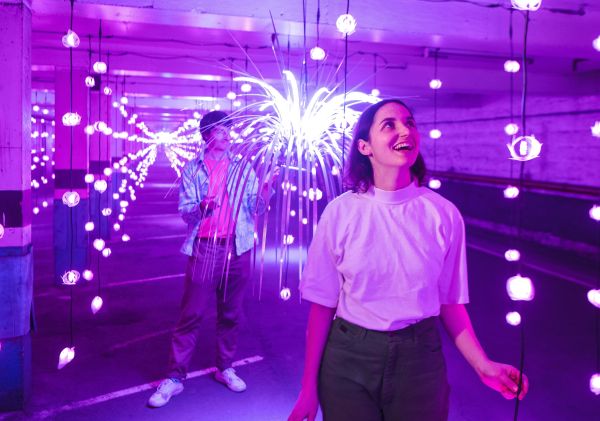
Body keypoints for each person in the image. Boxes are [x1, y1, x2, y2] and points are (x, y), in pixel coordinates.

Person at [288, 99, 529, 421]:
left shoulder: (443, 214)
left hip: (420, 360)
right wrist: (308, 389)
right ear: (365, 146)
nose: (405, 130)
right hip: (348, 357)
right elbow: (322, 306)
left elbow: (450, 303)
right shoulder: (340, 212)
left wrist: (482, 365)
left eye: (410, 123)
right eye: (389, 125)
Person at [148, 110, 274, 408]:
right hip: (206, 247)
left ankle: (225, 367)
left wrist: (267, 189)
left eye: (230, 130)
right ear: (207, 136)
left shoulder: (243, 166)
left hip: (238, 247)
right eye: (222, 130)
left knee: (230, 312)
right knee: (191, 313)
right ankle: (175, 377)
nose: (229, 135)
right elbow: (185, 212)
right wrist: (203, 206)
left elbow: (256, 208)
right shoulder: (193, 169)